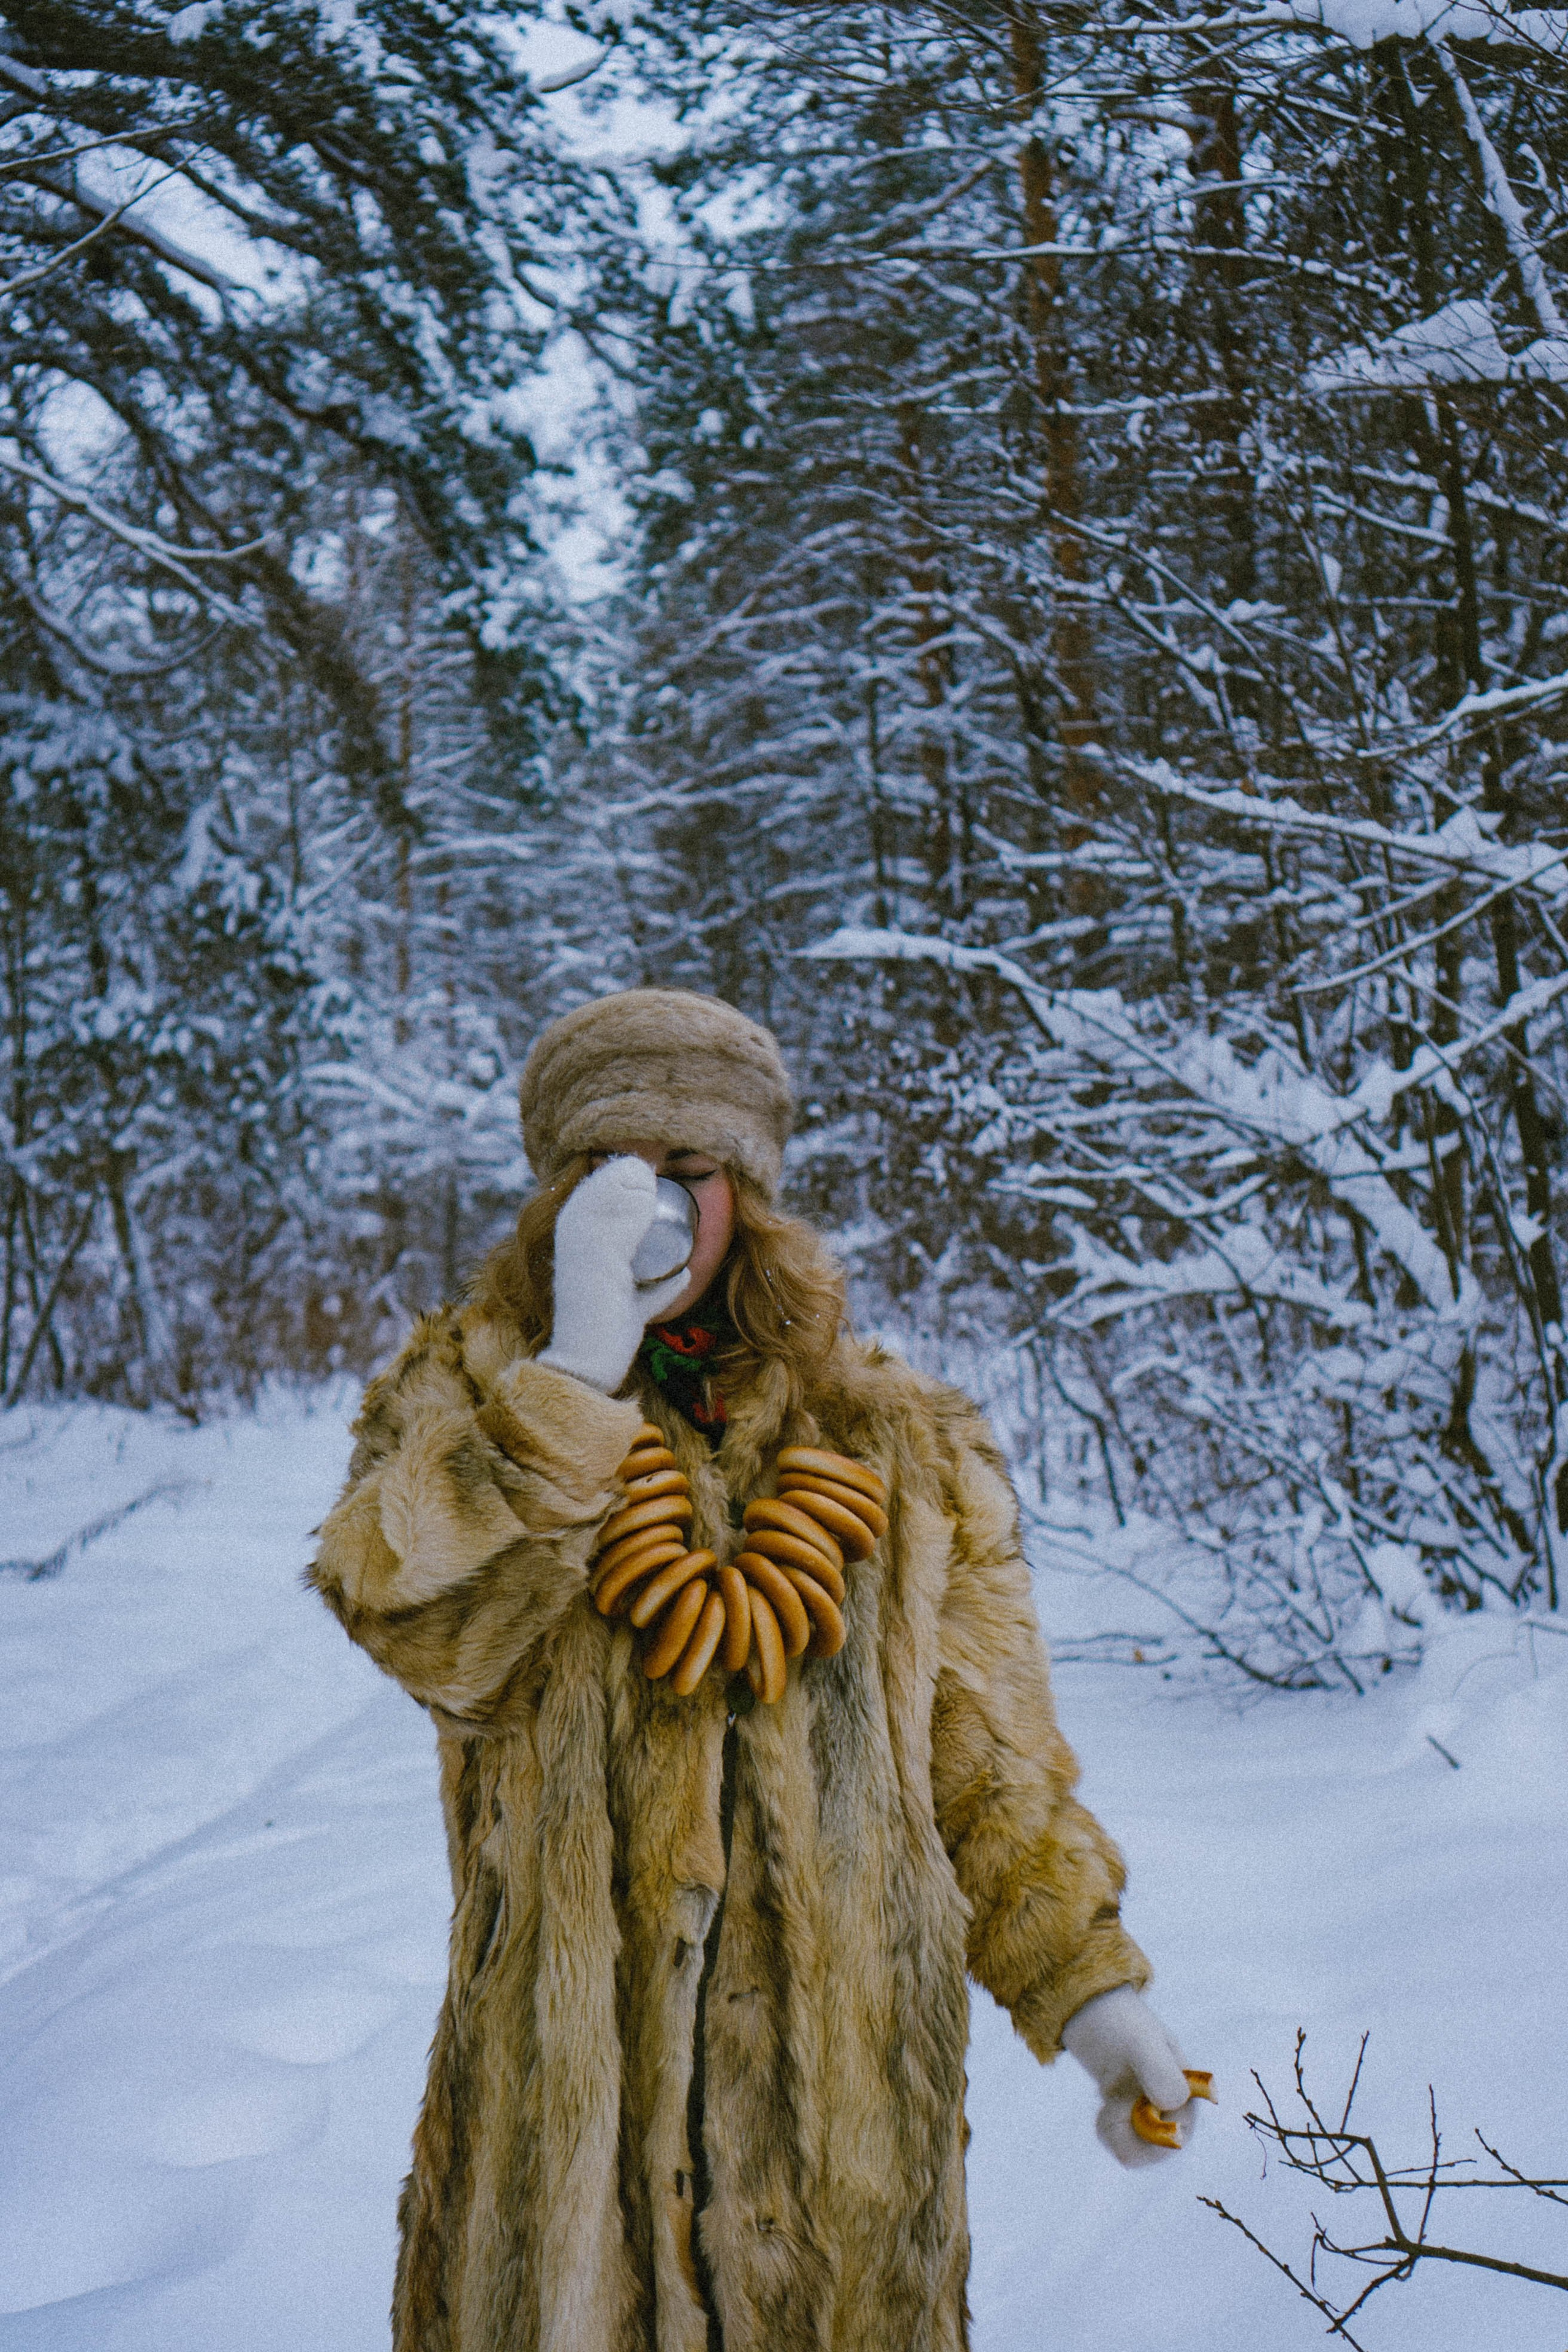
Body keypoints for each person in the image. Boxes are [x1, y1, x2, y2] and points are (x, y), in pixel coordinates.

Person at [309, 989, 1206, 2352]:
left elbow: (985, 1767)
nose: (652, 1211)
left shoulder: (897, 1441)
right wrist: (570, 1388)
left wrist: (1090, 1991)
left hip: (841, 2157)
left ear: (748, 1190)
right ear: (554, 1200)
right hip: (564, 2149)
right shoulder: (470, 1399)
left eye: (686, 1173)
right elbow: (416, 1626)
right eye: (607, 1177)